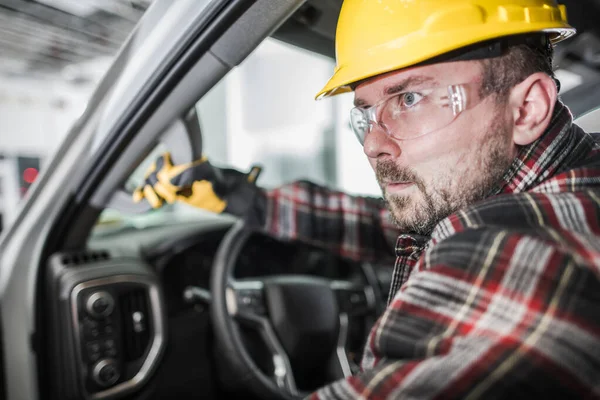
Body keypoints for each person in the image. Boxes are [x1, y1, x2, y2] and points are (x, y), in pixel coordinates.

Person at [134, 0, 600, 398]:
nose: (374, 143)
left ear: (526, 108)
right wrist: (241, 199)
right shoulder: (570, 178)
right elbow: (382, 224)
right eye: (366, 115)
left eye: (411, 98)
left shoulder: (526, 252)